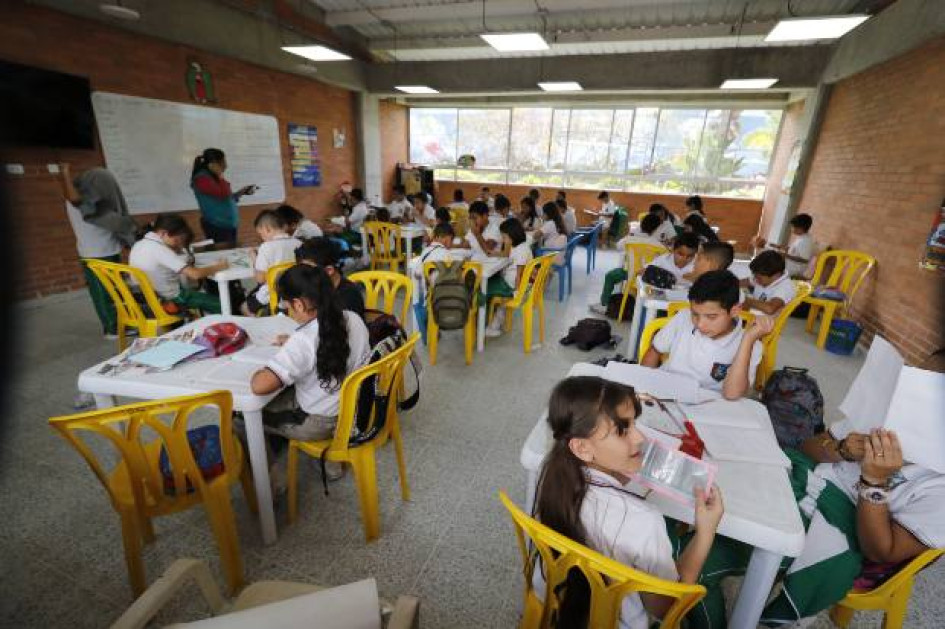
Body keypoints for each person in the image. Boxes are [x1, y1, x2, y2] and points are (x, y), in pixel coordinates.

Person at [534, 376, 724, 629]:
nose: (639, 437)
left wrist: (618, 469)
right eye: (623, 430)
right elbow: (666, 607)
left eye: (635, 423)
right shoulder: (643, 521)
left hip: (556, 604)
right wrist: (705, 533)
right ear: (581, 447)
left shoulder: (553, 476)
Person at [249, 264, 371, 489]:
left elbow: (260, 385)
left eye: (286, 305)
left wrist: (262, 368)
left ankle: (273, 488)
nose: (287, 310)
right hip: (354, 409)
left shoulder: (304, 340)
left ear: (299, 304)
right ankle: (330, 464)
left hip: (319, 420)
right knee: (288, 392)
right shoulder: (352, 318)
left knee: (242, 418)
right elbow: (329, 344)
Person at [641, 270, 771, 399]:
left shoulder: (751, 345)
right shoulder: (683, 317)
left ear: (734, 311)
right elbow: (655, 350)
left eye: (711, 317)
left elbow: (732, 395)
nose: (700, 325)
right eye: (695, 314)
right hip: (666, 391)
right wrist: (643, 386)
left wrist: (747, 340)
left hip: (709, 406)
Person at [58, 163, 138, 339]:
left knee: (114, 290)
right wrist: (65, 173)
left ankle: (121, 322)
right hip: (96, 253)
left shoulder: (96, 203)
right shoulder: (82, 203)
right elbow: (73, 197)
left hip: (106, 250)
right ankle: (112, 329)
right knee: (103, 293)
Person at [128, 213, 228, 314]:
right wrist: (220, 266)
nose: (177, 243)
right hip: (170, 299)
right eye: (177, 239)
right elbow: (195, 274)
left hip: (147, 297)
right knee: (223, 304)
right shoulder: (159, 249)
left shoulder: (139, 244)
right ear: (164, 233)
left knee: (199, 293)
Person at [591, 214, 665, 315]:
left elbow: (618, 246)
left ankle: (604, 304)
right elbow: (664, 261)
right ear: (657, 229)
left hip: (629, 274)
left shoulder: (630, 239)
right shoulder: (660, 246)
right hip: (648, 279)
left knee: (610, 276)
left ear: (641, 226)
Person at [190, 148, 257, 245]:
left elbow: (225, 198)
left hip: (227, 224)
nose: (226, 166)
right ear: (213, 164)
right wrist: (220, 175)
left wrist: (241, 192)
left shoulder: (214, 177)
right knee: (224, 253)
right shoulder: (202, 179)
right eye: (223, 162)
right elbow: (223, 193)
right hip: (217, 225)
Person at [243, 210, 302, 316]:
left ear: (268, 229)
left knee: (244, 307)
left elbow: (260, 279)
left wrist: (254, 259)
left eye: (261, 234)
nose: (262, 238)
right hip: (297, 293)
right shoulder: (299, 243)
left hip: (272, 295)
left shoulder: (266, 247)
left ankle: (262, 327)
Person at [295, 237, 365, 318]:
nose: (303, 276)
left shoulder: (348, 297)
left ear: (329, 271)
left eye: (308, 271)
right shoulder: (319, 286)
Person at [485, 218, 533, 337]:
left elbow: (519, 275)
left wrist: (516, 292)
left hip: (513, 286)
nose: (503, 240)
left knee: (486, 288)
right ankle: (493, 323)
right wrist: (495, 253)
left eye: (505, 237)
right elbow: (507, 255)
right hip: (512, 282)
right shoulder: (519, 245)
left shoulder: (521, 250)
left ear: (513, 235)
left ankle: (491, 325)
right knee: (490, 284)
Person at [753, 213, 814, 279]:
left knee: (766, 270)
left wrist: (785, 255)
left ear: (800, 228)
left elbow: (804, 260)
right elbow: (793, 250)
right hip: (788, 266)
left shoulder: (805, 241)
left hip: (793, 271)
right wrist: (774, 245)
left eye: (793, 227)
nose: (791, 229)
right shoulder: (802, 237)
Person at [742, 250, 797, 316]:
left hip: (762, 323)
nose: (756, 280)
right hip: (752, 315)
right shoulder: (766, 275)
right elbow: (747, 281)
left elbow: (770, 309)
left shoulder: (785, 287)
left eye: (759, 278)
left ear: (776, 275)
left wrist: (745, 300)